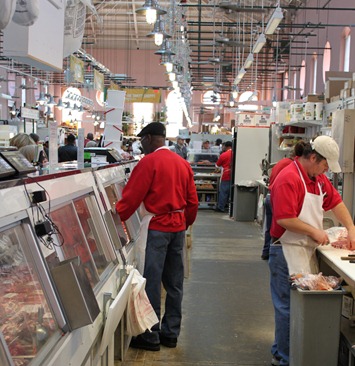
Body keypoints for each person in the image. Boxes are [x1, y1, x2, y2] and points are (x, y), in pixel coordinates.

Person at [268, 136, 355, 366]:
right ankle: (288, 359)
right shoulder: (288, 178)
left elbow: (336, 202)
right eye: (325, 164)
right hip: (285, 250)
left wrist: (351, 227)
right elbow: (285, 218)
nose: (326, 170)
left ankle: (281, 351)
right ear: (313, 157)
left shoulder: (317, 179)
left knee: (299, 306)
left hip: (304, 250)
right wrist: (314, 232)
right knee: (288, 308)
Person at [116, 122, 198, 352]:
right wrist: (184, 223)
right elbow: (193, 202)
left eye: (142, 140)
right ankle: (171, 334)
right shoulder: (182, 164)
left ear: (150, 138)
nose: (140, 145)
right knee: (174, 283)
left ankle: (150, 336)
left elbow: (131, 197)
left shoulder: (148, 163)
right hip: (177, 228)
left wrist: (117, 214)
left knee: (151, 281)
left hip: (157, 229)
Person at [261, 156, 294, 260]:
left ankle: (266, 252)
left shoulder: (281, 162)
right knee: (278, 228)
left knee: (269, 227)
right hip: (277, 198)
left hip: (269, 196)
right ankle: (273, 254)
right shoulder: (290, 166)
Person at [214, 140, 232, 212]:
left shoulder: (224, 155)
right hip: (234, 176)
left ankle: (221, 207)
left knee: (223, 191)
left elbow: (217, 165)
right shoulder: (236, 154)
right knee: (231, 192)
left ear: (226, 146)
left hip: (226, 175)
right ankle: (229, 206)